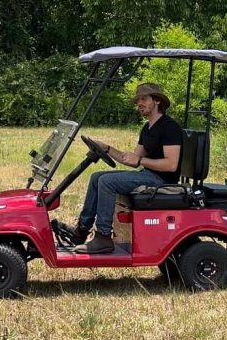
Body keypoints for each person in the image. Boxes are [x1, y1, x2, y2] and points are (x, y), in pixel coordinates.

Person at [71, 82, 183, 254]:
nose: (139, 103)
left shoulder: (169, 127)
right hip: (148, 174)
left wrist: (140, 161)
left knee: (107, 182)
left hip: (162, 180)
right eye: (138, 100)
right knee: (96, 177)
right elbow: (131, 159)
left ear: (157, 101)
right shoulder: (147, 128)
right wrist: (106, 148)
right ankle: (81, 231)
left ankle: (103, 236)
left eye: (144, 99)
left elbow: (171, 164)